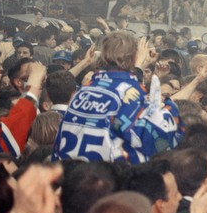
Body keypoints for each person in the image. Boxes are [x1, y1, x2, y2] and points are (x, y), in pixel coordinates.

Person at [52, 32, 180, 163]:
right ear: (133, 57)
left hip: (73, 176)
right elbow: (156, 140)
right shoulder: (131, 93)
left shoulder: (83, 91)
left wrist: (138, 67)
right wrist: (170, 106)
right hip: (107, 178)